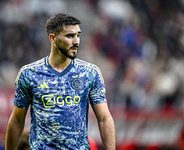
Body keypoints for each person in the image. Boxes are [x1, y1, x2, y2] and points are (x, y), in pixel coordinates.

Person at [5, 13, 116, 150]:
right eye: (70, 36)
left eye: (78, 35)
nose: (76, 41)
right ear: (53, 38)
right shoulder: (29, 74)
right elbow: (16, 120)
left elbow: (105, 118)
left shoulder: (90, 73)